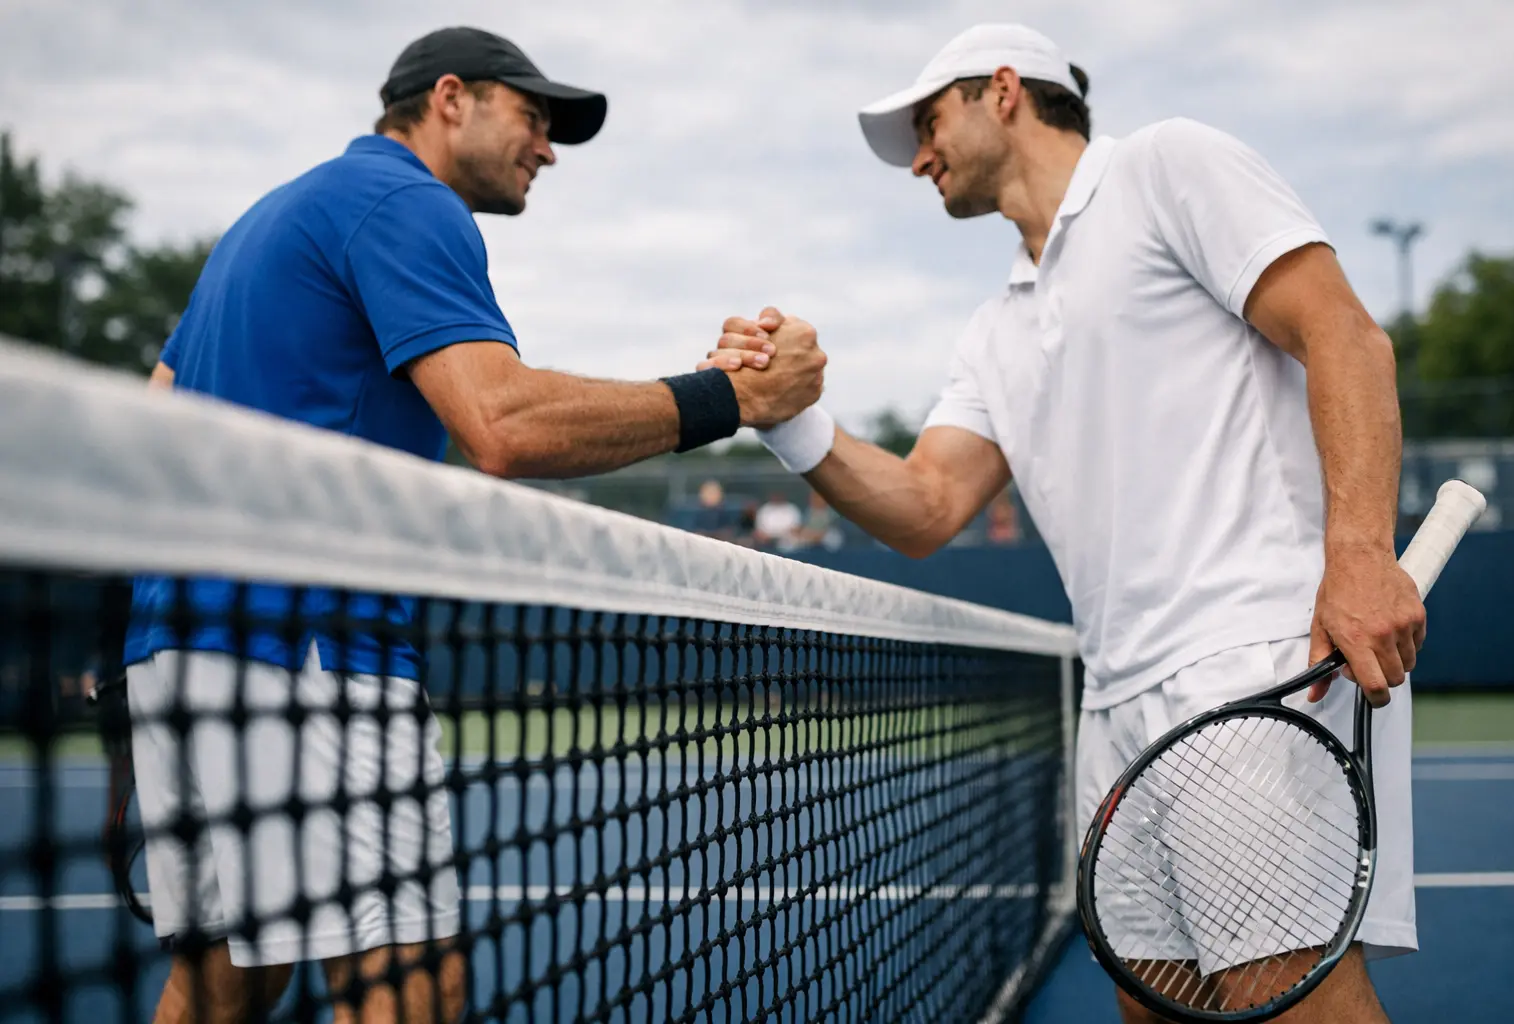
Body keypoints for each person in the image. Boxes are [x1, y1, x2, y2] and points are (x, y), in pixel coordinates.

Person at [711, 24, 1422, 1024]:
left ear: (1004, 90)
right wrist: (789, 421)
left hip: (1252, 666)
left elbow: (1343, 331)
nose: (919, 155)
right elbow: (926, 505)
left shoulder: (1168, 166)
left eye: (927, 122)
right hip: (1117, 700)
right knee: (1157, 1007)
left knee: (1283, 1000)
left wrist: (1358, 552)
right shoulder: (993, 327)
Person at [127, 26, 823, 1024]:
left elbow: (157, 418)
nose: (548, 147)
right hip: (309, 646)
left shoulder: (262, 225)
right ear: (449, 98)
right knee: (413, 987)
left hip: (179, 648)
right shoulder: (407, 201)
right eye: (533, 117)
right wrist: (729, 400)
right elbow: (499, 423)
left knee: (228, 979)